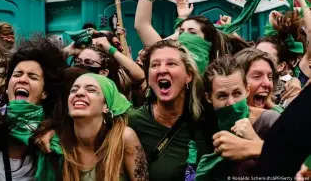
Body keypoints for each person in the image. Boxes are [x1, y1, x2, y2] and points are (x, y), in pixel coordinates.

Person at [0, 35, 66, 181]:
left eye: (33, 77)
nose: (22, 79)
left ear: (45, 93)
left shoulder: (56, 139)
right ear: (8, 88)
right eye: (17, 74)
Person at [127, 39, 212, 180]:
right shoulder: (132, 122)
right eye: (154, 65)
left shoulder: (205, 121)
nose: (162, 70)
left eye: (171, 63)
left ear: (188, 76)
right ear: (148, 77)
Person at [134, 0, 225, 74]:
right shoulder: (165, 57)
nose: (182, 36)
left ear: (207, 42)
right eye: (181, 32)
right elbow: (142, 25)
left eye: (192, 32)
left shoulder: (217, 78)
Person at [196, 56, 280, 180]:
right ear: (209, 98)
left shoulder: (270, 121)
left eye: (237, 93)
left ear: (247, 91)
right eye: (222, 96)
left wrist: (253, 141)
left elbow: (295, 163)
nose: (231, 102)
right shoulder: (205, 127)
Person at [59, 73, 148, 181]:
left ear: (106, 106)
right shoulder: (59, 144)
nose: (79, 93)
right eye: (74, 90)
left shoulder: (123, 138)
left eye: (91, 90)